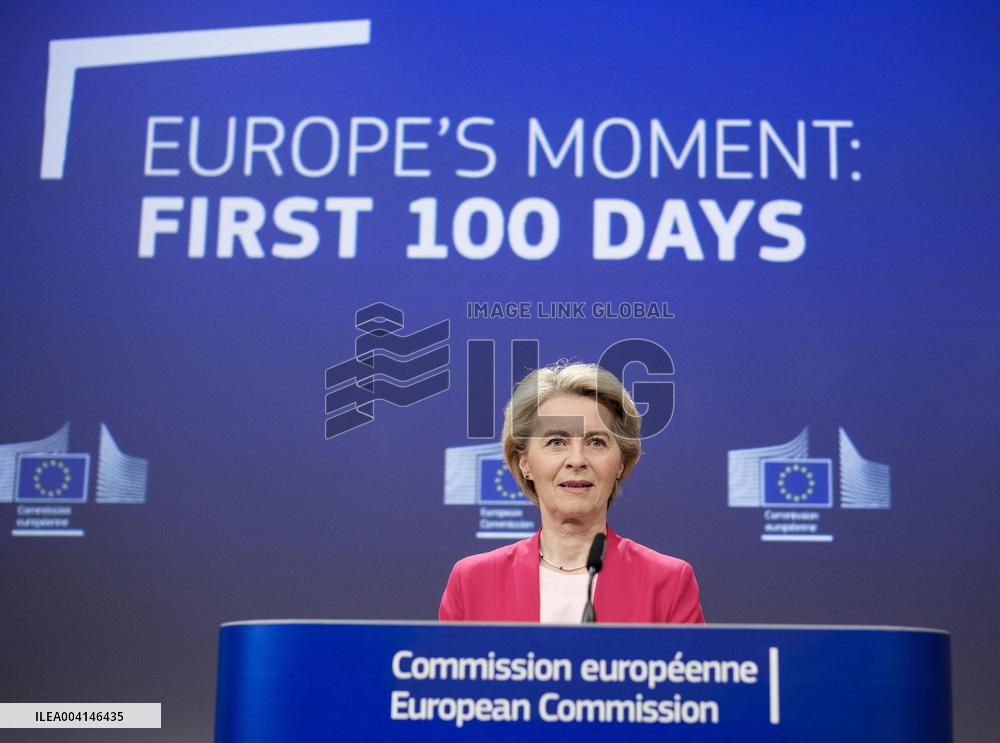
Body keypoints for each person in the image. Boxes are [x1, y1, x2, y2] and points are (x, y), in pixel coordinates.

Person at [439, 362, 704, 623]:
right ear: (525, 463)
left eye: (596, 442)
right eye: (556, 442)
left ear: (621, 463)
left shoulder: (667, 582)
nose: (577, 460)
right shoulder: (472, 581)